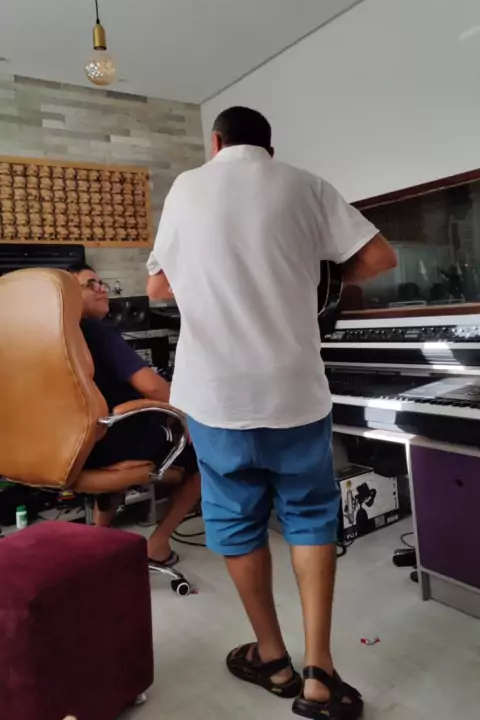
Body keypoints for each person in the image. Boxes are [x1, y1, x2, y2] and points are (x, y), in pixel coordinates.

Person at [146, 106, 397, 719]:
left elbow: (157, 288)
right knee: (310, 517)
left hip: (217, 397)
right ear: (269, 148)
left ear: (216, 142)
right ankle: (320, 673)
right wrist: (308, 269)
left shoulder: (185, 189)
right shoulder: (304, 185)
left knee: (236, 522)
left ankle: (273, 658)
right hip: (294, 392)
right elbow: (378, 258)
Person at [68, 263, 200, 567]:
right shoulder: (96, 331)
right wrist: (186, 414)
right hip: (113, 436)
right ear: (69, 295)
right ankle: (158, 544)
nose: (102, 289)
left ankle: (98, 543)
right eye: (91, 285)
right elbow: (152, 387)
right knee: (204, 454)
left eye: (102, 283)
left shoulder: (59, 335)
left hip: (82, 444)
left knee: (130, 438)